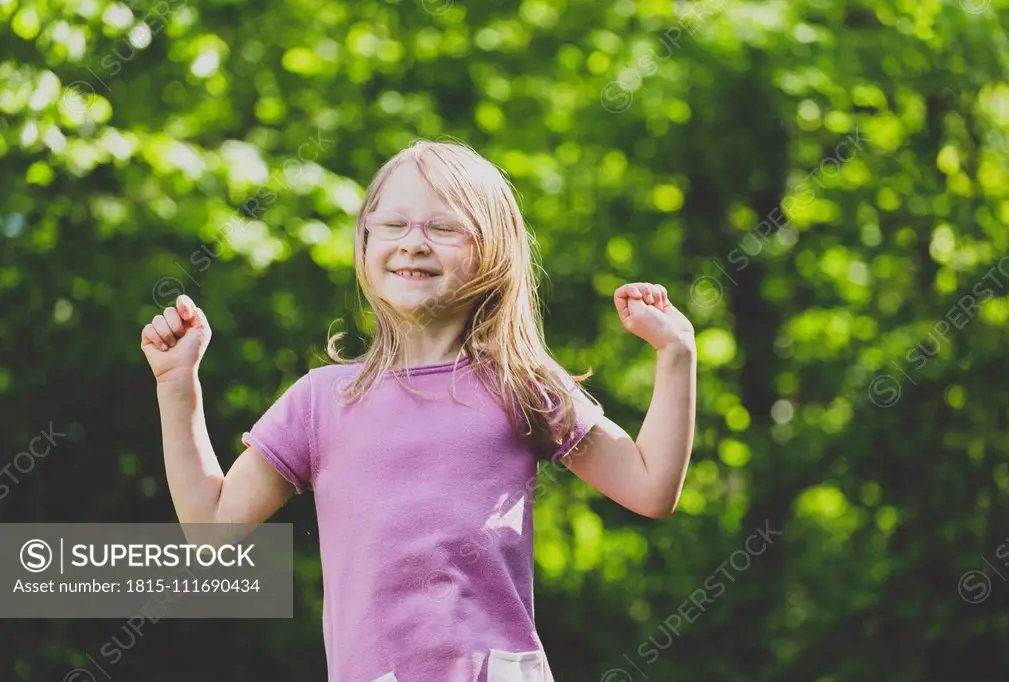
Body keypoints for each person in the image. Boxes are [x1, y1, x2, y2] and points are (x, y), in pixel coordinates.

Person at [139, 139, 697, 682]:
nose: (414, 243)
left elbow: (650, 488)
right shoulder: (320, 401)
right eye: (392, 224)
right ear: (364, 242)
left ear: (493, 250)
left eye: (444, 226)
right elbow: (211, 529)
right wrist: (177, 386)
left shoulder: (521, 383)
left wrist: (675, 353)